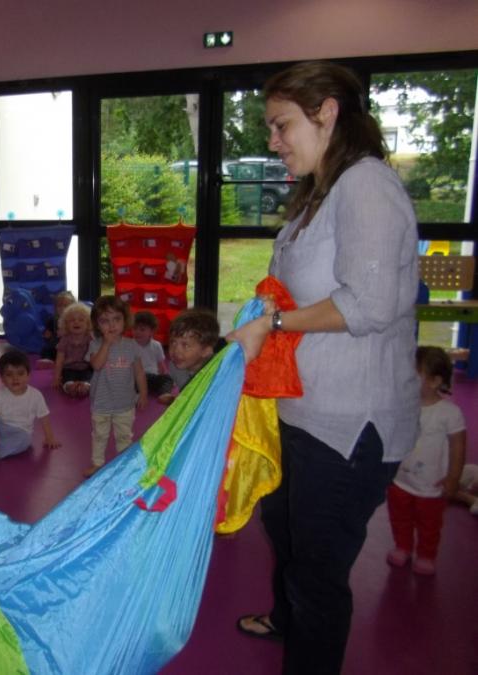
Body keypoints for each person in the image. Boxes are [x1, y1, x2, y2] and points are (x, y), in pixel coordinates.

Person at [227, 61, 420, 675]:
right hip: (302, 409)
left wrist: (275, 324)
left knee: (318, 572)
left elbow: (370, 304)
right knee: (284, 528)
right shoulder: (321, 192)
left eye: (281, 125)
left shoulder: (366, 186)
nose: (273, 141)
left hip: (349, 424)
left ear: (327, 112)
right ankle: (286, 620)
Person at [386, 347, 466, 575]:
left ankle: (426, 554)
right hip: (400, 480)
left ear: (434, 381)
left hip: (431, 485)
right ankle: (402, 546)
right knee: (399, 518)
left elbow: (458, 447)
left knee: (429, 524)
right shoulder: (402, 406)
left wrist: (453, 478)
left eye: (414, 376)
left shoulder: (449, 413)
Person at [84, 295, 147, 478]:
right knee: (99, 435)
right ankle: (97, 463)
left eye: (116, 319)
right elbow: (96, 365)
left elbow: (139, 372)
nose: (111, 325)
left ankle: (123, 464)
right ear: (97, 325)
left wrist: (143, 393)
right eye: (105, 321)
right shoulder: (95, 344)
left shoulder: (131, 345)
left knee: (124, 436)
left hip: (125, 403)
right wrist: (106, 344)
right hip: (101, 403)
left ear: (125, 320)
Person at [0, 349, 61, 465]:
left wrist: (49, 437)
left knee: (25, 439)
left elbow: (44, 417)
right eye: (9, 375)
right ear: (2, 378)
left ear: (28, 375)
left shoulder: (36, 395)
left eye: (20, 373)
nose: (15, 378)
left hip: (20, 431)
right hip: (1, 427)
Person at [158, 309, 221, 405]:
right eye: (173, 342)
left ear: (206, 351)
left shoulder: (216, 372)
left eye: (185, 345)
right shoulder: (175, 367)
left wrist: (173, 401)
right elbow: (189, 397)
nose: (175, 350)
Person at [52, 301, 94, 398]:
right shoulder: (65, 340)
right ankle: (70, 387)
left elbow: (95, 356)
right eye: (72, 320)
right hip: (69, 368)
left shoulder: (90, 339)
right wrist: (56, 377)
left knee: (90, 378)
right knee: (66, 379)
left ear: (88, 324)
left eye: (81, 320)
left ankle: (85, 387)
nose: (76, 322)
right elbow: (59, 360)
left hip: (86, 368)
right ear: (66, 324)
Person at [132, 310, 172, 400]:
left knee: (167, 378)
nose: (137, 332)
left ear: (152, 331)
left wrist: (165, 374)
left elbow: (161, 364)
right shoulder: (129, 345)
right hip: (137, 378)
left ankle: (165, 394)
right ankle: (136, 395)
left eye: (142, 329)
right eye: (135, 328)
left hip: (152, 377)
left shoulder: (156, 345)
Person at [37, 290, 76, 368]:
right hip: (56, 346)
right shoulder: (53, 320)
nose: (63, 308)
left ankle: (70, 360)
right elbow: (47, 335)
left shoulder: (75, 320)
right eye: (60, 306)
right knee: (46, 349)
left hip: (71, 346)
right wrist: (47, 335)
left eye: (66, 306)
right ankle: (48, 360)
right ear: (55, 308)